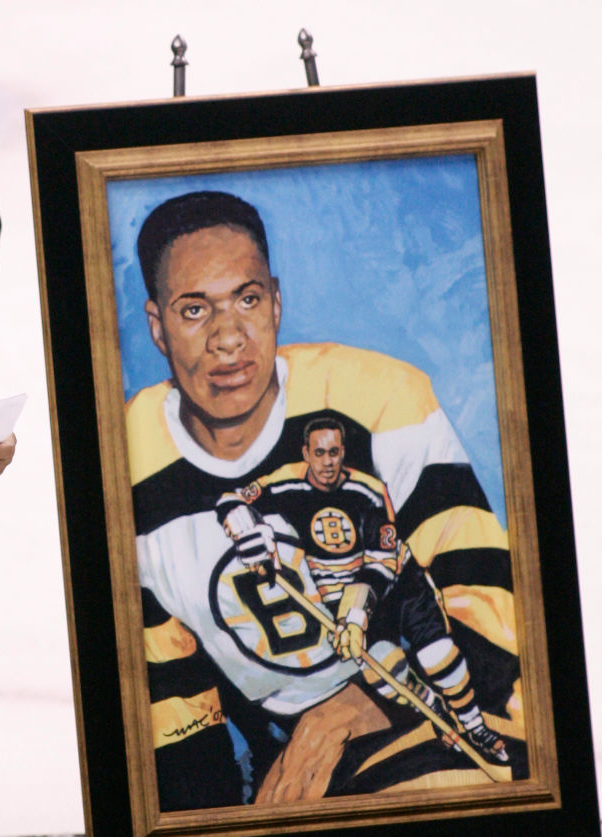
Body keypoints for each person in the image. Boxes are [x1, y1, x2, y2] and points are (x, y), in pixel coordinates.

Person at [126, 190, 521, 809]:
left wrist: (352, 709)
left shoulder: (381, 397)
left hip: (450, 715)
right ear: (157, 326)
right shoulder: (130, 457)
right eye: (195, 310)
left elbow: (494, 608)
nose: (229, 339)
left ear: (277, 303)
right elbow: (178, 721)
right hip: (291, 766)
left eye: (248, 300)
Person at [216, 417, 508, 801]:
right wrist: (243, 527)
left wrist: (355, 618)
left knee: (439, 656)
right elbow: (230, 499)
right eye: (318, 453)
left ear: (343, 453)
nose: (327, 462)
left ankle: (473, 724)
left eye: (334, 452)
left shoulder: (368, 491)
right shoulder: (283, 481)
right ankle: (436, 710)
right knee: (387, 674)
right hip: (342, 600)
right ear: (306, 454)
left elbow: (378, 565)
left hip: (395, 584)